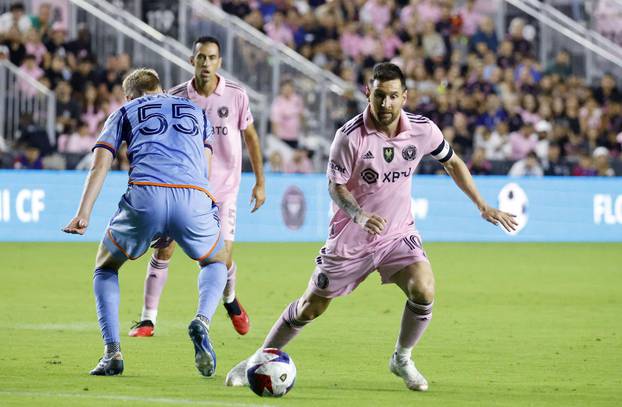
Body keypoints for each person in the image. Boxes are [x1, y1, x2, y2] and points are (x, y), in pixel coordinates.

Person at [224, 63, 517, 392]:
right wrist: (359, 215)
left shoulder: (422, 129)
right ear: (368, 93)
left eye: (393, 96)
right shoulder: (349, 137)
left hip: (396, 235)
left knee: (424, 288)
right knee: (311, 307)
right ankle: (259, 358)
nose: (386, 103)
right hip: (350, 239)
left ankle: (402, 358)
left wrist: (482, 205)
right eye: (380, 95)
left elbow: (452, 162)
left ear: (404, 97)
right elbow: (335, 186)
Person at [62, 68, 228, 377]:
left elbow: (100, 164)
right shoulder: (196, 111)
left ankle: (112, 353)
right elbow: (205, 168)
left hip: (146, 196)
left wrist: (83, 213)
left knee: (106, 267)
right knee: (217, 261)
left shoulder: (125, 111)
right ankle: (201, 320)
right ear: (160, 88)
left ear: (129, 95)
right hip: (193, 196)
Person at [128, 36, 265, 338]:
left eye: (211, 58)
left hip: (224, 190)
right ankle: (148, 319)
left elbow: (251, 138)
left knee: (222, 258)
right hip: (186, 189)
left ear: (220, 62)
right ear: (192, 60)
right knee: (164, 248)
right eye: (201, 57)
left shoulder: (236, 95)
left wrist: (259, 182)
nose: (206, 63)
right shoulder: (176, 97)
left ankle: (230, 300)